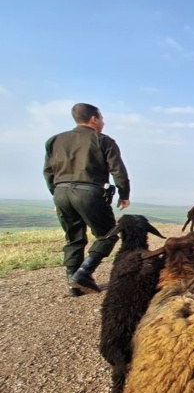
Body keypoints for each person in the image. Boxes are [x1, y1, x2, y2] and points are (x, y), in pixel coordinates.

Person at [43, 103, 130, 296]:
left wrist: (56, 196)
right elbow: (118, 170)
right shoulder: (103, 140)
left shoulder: (54, 140)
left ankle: (73, 285)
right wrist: (124, 194)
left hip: (61, 192)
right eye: (102, 118)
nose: (103, 122)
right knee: (108, 234)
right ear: (93, 119)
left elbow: (48, 172)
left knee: (73, 238)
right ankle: (83, 273)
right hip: (89, 193)